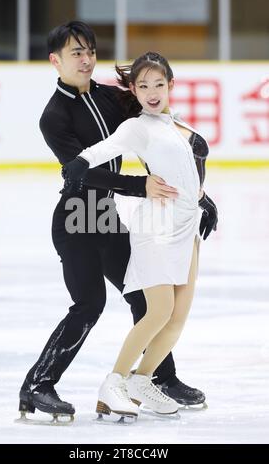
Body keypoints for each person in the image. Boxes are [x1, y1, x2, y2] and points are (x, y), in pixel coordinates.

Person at [18, 21, 216, 420]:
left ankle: (157, 376)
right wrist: (140, 186)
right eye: (77, 53)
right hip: (77, 216)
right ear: (55, 61)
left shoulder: (112, 98)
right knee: (89, 304)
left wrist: (198, 193)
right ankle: (37, 385)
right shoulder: (54, 116)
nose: (86, 59)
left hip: (106, 213)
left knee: (146, 297)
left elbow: (158, 137)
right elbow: (81, 172)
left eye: (90, 51)